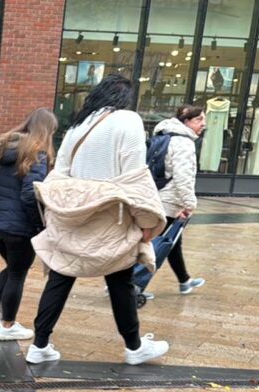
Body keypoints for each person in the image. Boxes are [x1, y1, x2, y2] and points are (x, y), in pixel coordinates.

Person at [27, 74, 169, 366]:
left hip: (74, 215)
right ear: (127, 100)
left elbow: (60, 173)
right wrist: (146, 223)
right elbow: (134, 177)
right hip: (110, 217)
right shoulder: (129, 121)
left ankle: (39, 344)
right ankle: (134, 346)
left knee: (61, 275)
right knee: (121, 280)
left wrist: (62, 208)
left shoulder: (78, 127)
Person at [0, 107, 56, 340]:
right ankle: (8, 326)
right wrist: (37, 225)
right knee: (18, 272)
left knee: (12, 268)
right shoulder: (37, 154)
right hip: (19, 229)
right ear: (47, 131)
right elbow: (30, 194)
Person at [145, 103, 206, 300]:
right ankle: (131, 284)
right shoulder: (183, 143)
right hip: (169, 201)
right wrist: (190, 203)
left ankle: (184, 281)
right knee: (154, 245)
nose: (203, 124)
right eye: (198, 119)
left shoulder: (163, 136)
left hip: (158, 196)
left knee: (171, 242)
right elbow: (183, 177)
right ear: (186, 122)